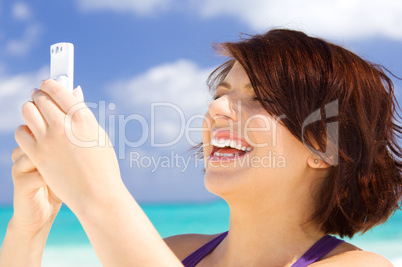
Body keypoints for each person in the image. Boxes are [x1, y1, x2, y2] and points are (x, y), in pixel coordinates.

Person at [0, 29, 401, 266]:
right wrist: (29, 228)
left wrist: (98, 195)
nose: (217, 108)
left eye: (259, 98)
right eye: (221, 93)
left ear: (323, 146)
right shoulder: (175, 252)